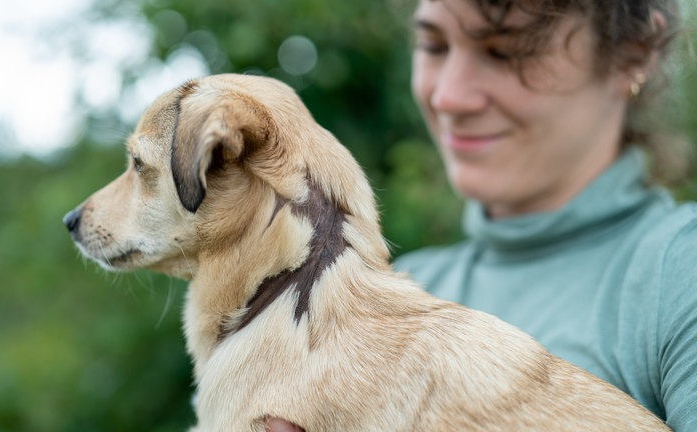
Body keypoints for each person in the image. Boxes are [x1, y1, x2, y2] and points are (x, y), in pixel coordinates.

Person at [267, 0, 697, 430]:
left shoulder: (678, 275)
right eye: (434, 45)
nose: (449, 96)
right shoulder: (399, 286)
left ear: (633, 53)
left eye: (505, 50)